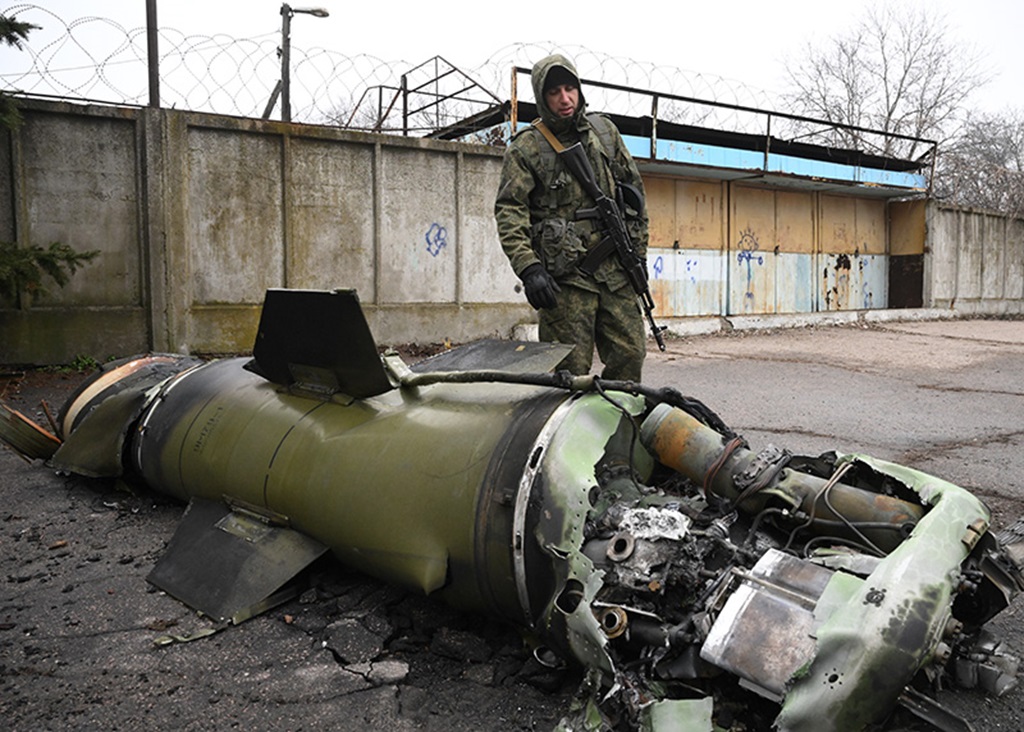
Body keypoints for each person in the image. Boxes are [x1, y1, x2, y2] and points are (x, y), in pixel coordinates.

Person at [494, 53, 649, 382]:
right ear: (541, 97)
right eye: (554, 92)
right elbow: (510, 210)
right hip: (566, 280)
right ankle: (567, 433)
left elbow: (635, 197)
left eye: (570, 88)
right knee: (568, 374)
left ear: (579, 89)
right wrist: (529, 267)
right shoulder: (527, 148)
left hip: (616, 273)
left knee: (630, 356)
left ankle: (618, 427)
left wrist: (639, 253)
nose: (564, 99)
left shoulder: (604, 133)